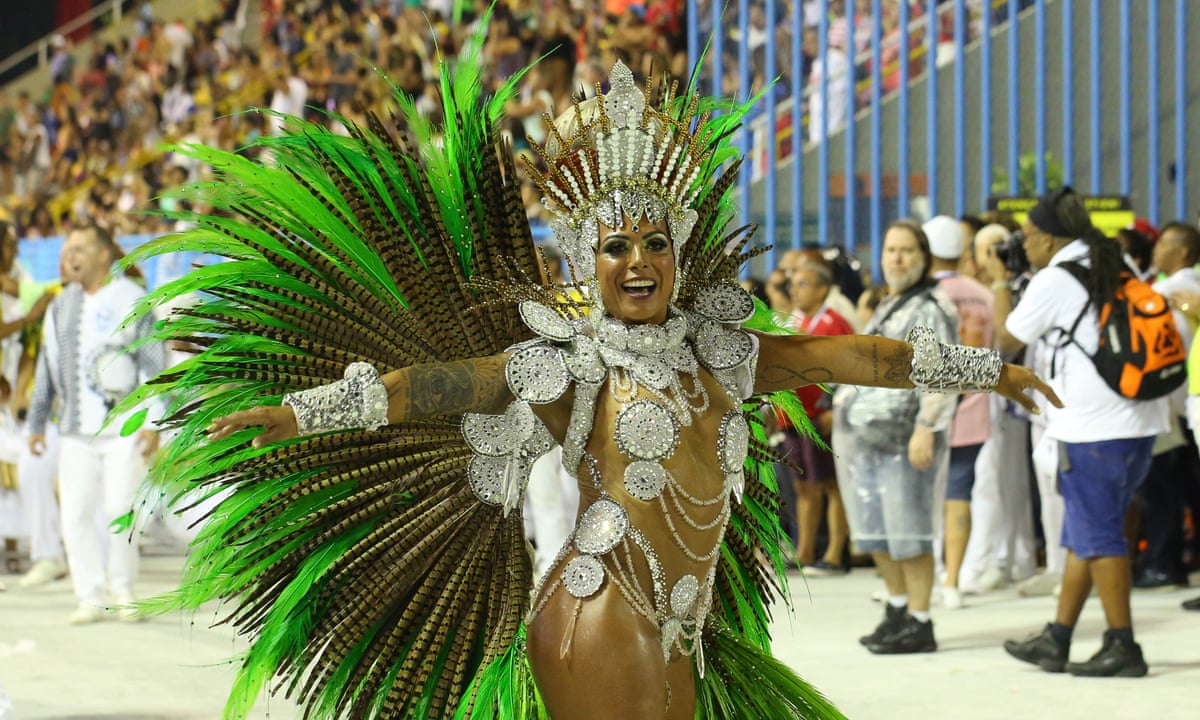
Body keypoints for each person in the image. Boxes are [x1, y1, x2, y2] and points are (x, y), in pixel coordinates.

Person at [140, 45, 1057, 719]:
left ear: (679, 250)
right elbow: (435, 388)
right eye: (615, 245)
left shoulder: (725, 351)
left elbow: (856, 356)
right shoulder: (571, 362)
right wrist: (303, 410)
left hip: (681, 618)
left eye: (655, 241)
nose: (638, 261)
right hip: (601, 605)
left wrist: (991, 369)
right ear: (588, 257)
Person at [995, 187, 1168, 678]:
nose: (1023, 245)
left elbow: (1009, 335)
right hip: (1136, 422)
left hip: (1093, 430)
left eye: (1027, 237)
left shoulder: (1056, 278)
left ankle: (1123, 646)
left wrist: (999, 281)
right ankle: (1058, 638)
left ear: (1049, 238)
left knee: (1100, 537)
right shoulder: (1111, 262)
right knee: (1083, 534)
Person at [833, 220, 962, 655]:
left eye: (907, 250)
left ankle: (921, 620)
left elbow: (942, 374)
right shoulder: (890, 303)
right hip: (866, 438)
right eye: (891, 250)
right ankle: (898, 607)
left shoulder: (930, 307)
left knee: (909, 533)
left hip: (905, 437)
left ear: (924, 257)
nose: (898, 258)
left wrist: (927, 428)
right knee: (876, 534)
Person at [26, 224, 163, 624]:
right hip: (73, 430)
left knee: (120, 508)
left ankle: (122, 588)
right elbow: (46, 368)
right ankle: (90, 595)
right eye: (68, 249)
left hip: (125, 426)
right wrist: (37, 422)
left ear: (103, 255)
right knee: (76, 514)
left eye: (80, 248)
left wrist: (153, 421)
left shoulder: (133, 298)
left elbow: (154, 366)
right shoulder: (59, 306)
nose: (71, 256)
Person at [924, 215, 994, 610]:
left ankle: (928, 574)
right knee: (958, 495)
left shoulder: (927, 297)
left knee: (924, 497)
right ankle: (952, 581)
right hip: (974, 406)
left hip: (930, 410)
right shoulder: (981, 294)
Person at [784, 262, 853, 573]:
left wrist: (834, 408)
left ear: (823, 288)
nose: (795, 290)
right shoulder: (794, 321)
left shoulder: (833, 322)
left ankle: (836, 554)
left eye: (803, 284)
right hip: (793, 417)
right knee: (803, 486)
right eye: (794, 284)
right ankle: (805, 550)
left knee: (831, 484)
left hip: (819, 414)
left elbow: (848, 368)